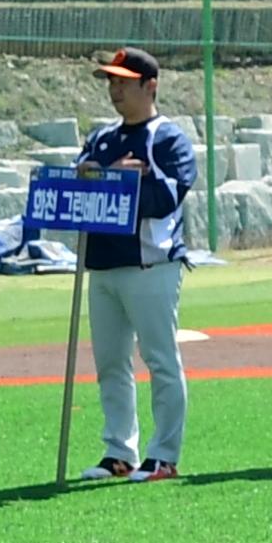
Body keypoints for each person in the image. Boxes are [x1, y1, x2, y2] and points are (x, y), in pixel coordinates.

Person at [73, 47, 197, 484]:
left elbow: (167, 199)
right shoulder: (103, 137)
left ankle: (164, 455)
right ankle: (118, 451)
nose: (115, 89)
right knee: (110, 362)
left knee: (160, 359)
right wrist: (100, 172)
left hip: (151, 265)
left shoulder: (167, 138)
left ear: (150, 85)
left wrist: (128, 177)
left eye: (123, 81)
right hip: (103, 265)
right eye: (111, 81)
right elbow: (79, 187)